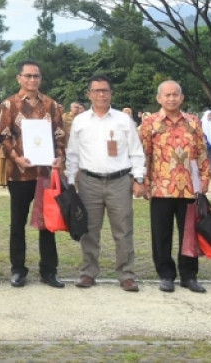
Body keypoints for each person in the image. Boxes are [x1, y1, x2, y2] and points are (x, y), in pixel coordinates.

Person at [65, 75, 147, 292]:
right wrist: (69, 180)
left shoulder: (123, 120)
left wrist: (138, 178)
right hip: (89, 182)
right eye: (96, 90)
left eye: (105, 90)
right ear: (89, 94)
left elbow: (136, 152)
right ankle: (88, 272)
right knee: (89, 230)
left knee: (123, 230)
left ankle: (126, 274)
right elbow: (72, 153)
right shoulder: (80, 121)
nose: (101, 94)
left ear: (111, 93)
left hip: (120, 181)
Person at [0, 60, 67, 289]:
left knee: (48, 223)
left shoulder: (52, 105)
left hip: (45, 173)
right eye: (27, 76)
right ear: (19, 78)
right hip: (19, 173)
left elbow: (59, 135)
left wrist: (60, 157)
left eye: (36, 76)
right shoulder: (9, 104)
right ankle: (18, 269)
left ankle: (49, 270)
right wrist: (16, 157)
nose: (32, 80)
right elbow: (4, 136)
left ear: (41, 79)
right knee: (17, 223)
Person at [138, 80, 209, 294]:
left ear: (182, 97)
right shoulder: (150, 123)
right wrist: (144, 182)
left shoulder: (194, 122)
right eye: (167, 95)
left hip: (189, 186)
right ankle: (166, 275)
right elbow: (144, 154)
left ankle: (189, 276)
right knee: (161, 234)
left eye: (175, 94)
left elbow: (202, 151)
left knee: (189, 234)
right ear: (159, 98)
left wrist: (205, 178)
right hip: (161, 188)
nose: (171, 98)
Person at [201, 109, 211, 174]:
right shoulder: (202, 123)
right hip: (204, 142)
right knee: (205, 157)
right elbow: (201, 133)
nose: (210, 117)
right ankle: (205, 171)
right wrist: (205, 140)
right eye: (208, 116)